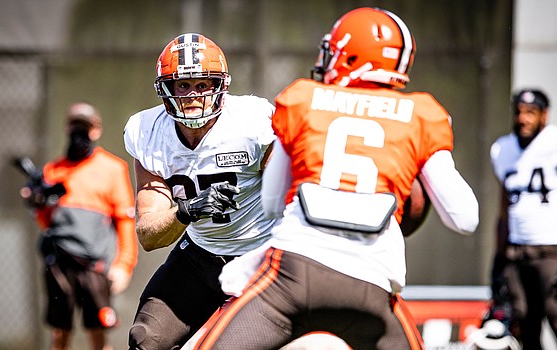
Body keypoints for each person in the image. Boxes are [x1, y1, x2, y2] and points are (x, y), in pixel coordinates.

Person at [190, 7, 480, 349]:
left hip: (291, 276)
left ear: (351, 53)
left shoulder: (303, 99)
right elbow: (466, 219)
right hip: (371, 286)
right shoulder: (421, 114)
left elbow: (271, 204)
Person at [123, 33, 278, 349]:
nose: (193, 95)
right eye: (183, 86)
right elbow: (150, 235)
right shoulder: (148, 133)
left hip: (261, 254)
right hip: (202, 253)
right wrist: (186, 210)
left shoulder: (251, 123)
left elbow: (286, 195)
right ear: (166, 90)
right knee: (147, 340)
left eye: (202, 85)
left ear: (220, 86)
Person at [23, 102, 138, 350]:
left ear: (96, 130)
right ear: (67, 127)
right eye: (75, 125)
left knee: (97, 333)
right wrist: (38, 203)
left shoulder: (113, 168)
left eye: (85, 127)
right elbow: (47, 223)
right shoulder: (53, 170)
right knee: (60, 333)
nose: (79, 132)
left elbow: (125, 219)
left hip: (94, 265)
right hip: (59, 264)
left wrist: (124, 265)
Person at [488, 88, 557, 350]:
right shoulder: (503, 149)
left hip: (552, 249)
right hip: (516, 252)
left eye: (530, 113)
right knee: (524, 323)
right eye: (519, 112)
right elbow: (504, 210)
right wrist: (498, 261)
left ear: (545, 115)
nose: (523, 119)